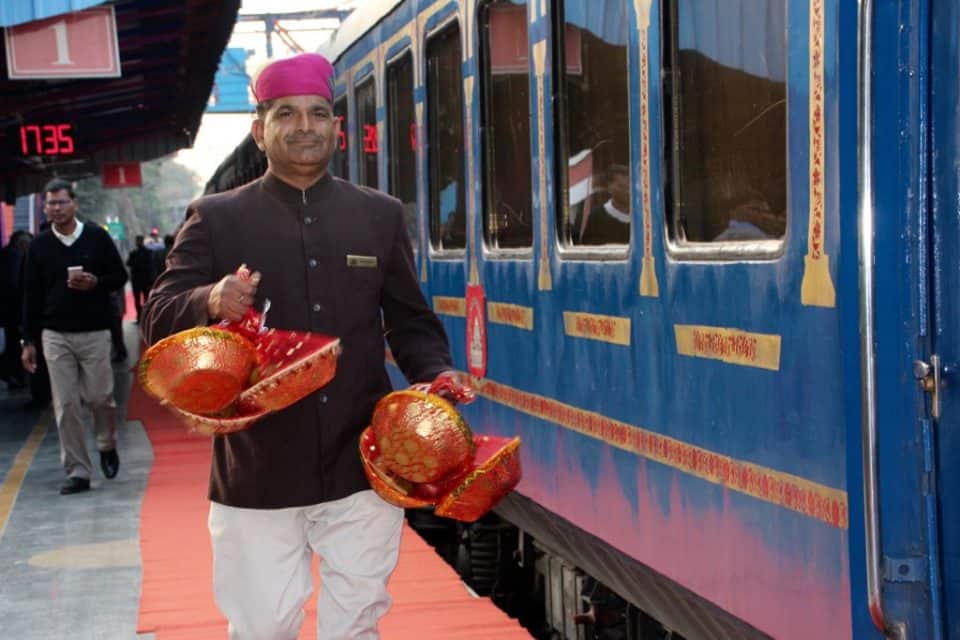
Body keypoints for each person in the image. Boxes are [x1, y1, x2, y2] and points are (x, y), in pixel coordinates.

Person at [141, 52, 457, 639]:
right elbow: (157, 315)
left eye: (317, 113)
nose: (304, 126)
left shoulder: (379, 216)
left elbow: (410, 321)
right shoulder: (215, 218)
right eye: (285, 114)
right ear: (260, 131)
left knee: (355, 624)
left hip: (362, 463)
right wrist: (210, 298)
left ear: (337, 127)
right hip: (257, 466)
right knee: (262, 627)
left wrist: (435, 373)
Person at [21, 178, 127, 495]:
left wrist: (96, 282)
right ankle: (78, 471)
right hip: (55, 335)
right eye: (51, 203)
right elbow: (30, 295)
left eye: (62, 202)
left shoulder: (96, 237)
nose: (56, 208)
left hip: (94, 332)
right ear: (44, 207)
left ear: (74, 204)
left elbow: (119, 276)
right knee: (66, 405)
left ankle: (107, 444)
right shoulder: (39, 246)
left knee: (100, 398)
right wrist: (28, 341)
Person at [0, 230, 32, 389]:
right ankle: (13, 373)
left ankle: (14, 375)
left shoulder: (6, 254)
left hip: (7, 310)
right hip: (14, 310)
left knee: (12, 342)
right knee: (16, 344)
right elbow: (16, 285)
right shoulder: (17, 257)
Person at [579, 163, 631, 245]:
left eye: (629, 187)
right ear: (609, 187)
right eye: (621, 186)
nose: (627, 191)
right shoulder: (596, 216)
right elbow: (588, 246)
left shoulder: (641, 214)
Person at [126, 234, 155, 322]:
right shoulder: (145, 253)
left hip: (140, 280)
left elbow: (129, 263)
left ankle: (143, 317)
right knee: (142, 299)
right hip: (141, 280)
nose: (137, 242)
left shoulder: (139, 253)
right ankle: (143, 317)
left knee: (142, 299)